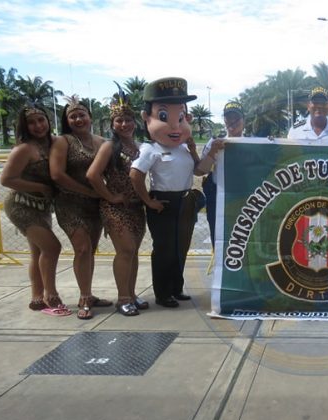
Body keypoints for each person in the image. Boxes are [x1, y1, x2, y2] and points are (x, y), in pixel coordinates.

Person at [130, 77, 201, 308]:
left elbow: (198, 169)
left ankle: (176, 288)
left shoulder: (183, 147)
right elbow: (136, 175)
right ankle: (162, 293)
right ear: (146, 118)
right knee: (164, 251)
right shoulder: (150, 149)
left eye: (180, 118)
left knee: (181, 248)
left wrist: (192, 149)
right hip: (164, 202)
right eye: (164, 116)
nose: (175, 125)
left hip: (185, 201)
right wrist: (148, 201)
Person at [1, 104, 69, 316]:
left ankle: (36, 298)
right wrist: (40, 187)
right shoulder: (24, 149)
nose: (38, 126)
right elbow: (7, 179)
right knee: (52, 247)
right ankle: (50, 295)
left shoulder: (52, 144)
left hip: (42, 207)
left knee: (38, 252)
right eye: (32, 122)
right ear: (25, 126)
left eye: (41, 120)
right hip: (22, 206)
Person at [86, 88, 146, 316]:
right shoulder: (109, 147)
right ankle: (122, 298)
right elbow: (92, 175)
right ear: (112, 124)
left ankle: (131, 293)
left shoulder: (138, 147)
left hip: (136, 207)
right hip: (115, 207)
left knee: (134, 252)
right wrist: (110, 196)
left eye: (128, 120)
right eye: (119, 121)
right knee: (126, 250)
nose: (124, 125)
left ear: (134, 123)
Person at [50, 97, 111, 320]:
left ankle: (89, 292)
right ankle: (84, 296)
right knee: (82, 249)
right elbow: (57, 174)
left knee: (90, 250)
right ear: (67, 121)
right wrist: (87, 192)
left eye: (81, 114)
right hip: (70, 204)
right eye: (72, 116)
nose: (78, 119)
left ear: (90, 117)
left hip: (95, 204)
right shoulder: (62, 141)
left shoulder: (102, 141)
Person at [200, 101, 244, 246]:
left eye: (236, 118)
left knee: (243, 237)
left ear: (243, 120)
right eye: (228, 118)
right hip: (219, 198)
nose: (232, 122)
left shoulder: (252, 142)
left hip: (244, 198)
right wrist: (213, 151)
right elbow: (201, 170)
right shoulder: (215, 141)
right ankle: (219, 268)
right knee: (218, 238)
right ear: (224, 120)